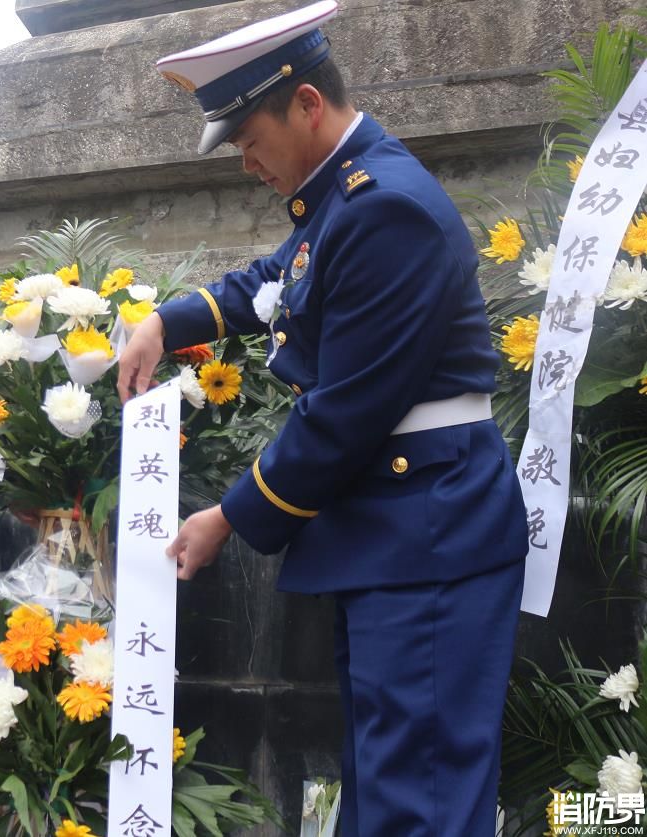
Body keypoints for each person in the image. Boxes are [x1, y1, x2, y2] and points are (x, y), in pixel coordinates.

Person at [117, 3, 528, 834]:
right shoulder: (343, 195)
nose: (246, 164)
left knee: (419, 801)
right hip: (395, 535)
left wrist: (228, 516)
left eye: (249, 140)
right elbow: (275, 278)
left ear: (305, 103)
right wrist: (170, 319)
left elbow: (345, 413)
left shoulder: (384, 206)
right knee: (384, 788)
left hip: (425, 536)